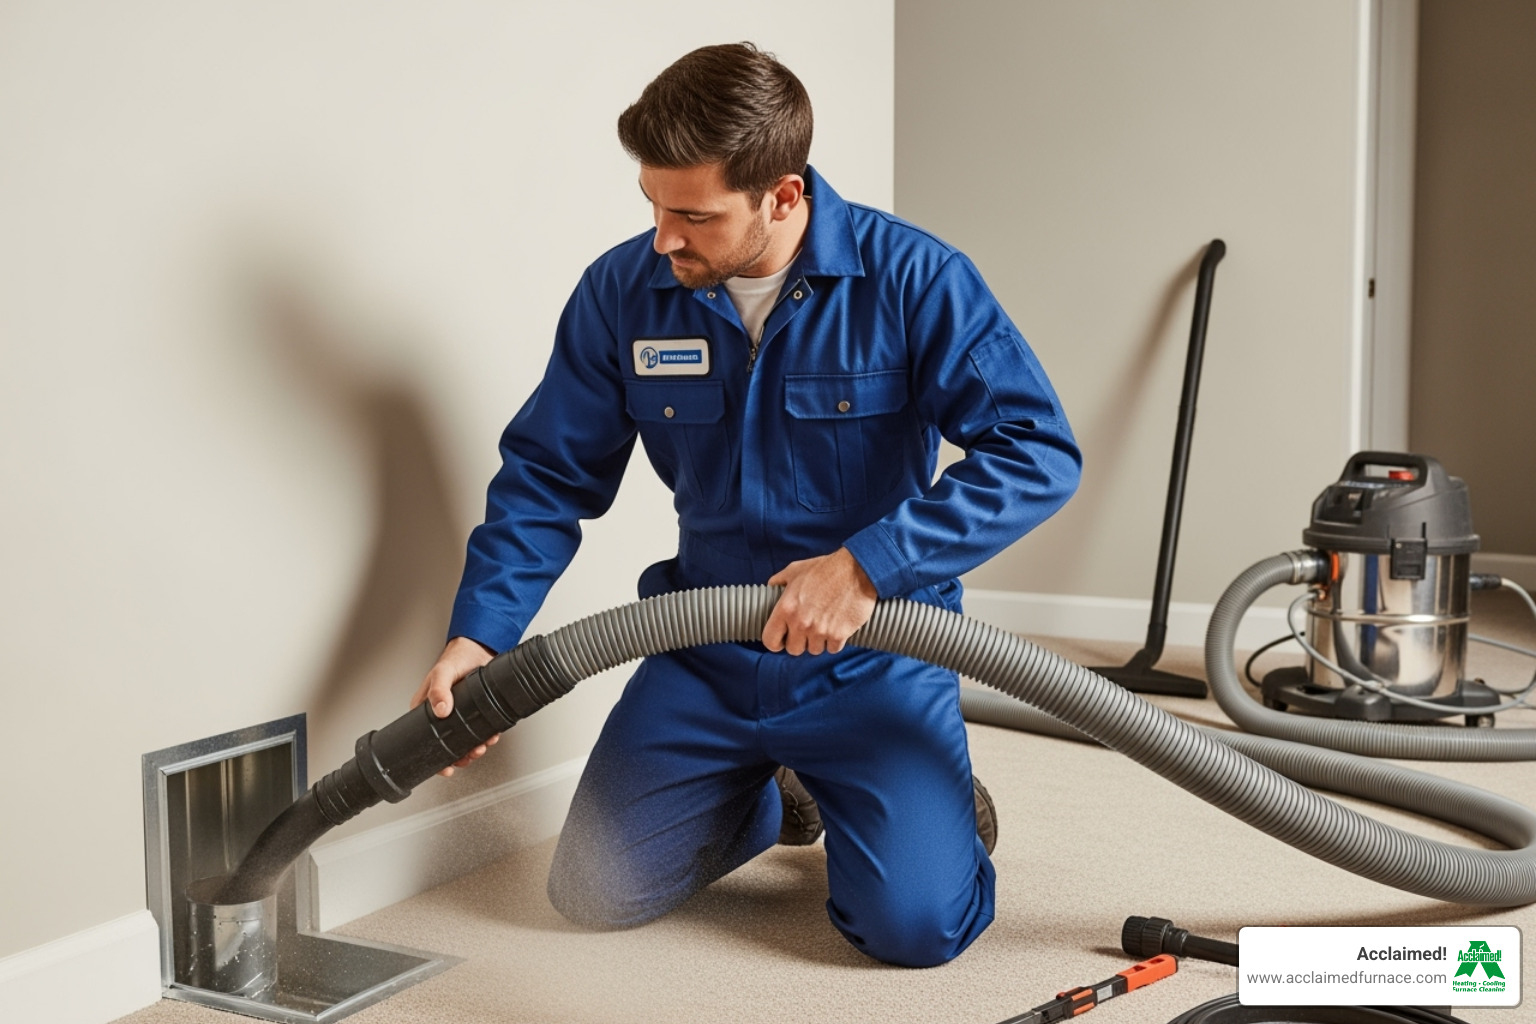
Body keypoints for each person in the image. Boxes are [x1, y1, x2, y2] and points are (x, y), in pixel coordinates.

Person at [411, 42, 1081, 967]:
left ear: (784, 196)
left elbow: (1037, 453)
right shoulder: (625, 293)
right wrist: (481, 635)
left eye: (693, 214)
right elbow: (547, 474)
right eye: (652, 204)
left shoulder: (913, 279)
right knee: (592, 895)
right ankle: (779, 796)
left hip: (872, 655)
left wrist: (868, 565)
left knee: (913, 928)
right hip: (708, 651)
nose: (664, 238)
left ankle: (937, 812)